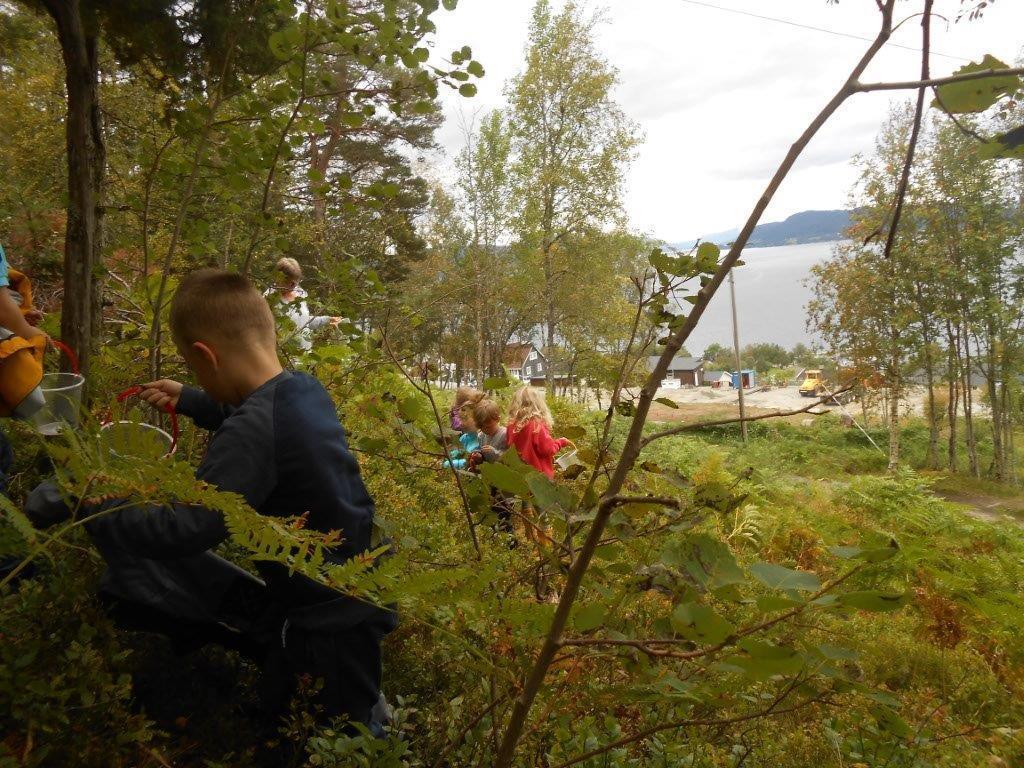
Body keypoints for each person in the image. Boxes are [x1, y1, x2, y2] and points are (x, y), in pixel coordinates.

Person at [27, 269, 394, 732]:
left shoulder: (252, 430)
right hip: (353, 588)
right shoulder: (303, 389)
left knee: (338, 729)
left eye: (192, 366)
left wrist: (87, 503)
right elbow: (257, 421)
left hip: (329, 619)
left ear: (205, 354)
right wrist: (194, 400)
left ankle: (374, 725)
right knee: (291, 698)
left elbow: (185, 527)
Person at [269, 257, 340, 350]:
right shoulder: (269, 300)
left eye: (295, 282)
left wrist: (327, 320)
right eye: (289, 282)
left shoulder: (299, 294)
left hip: (304, 357)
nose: (293, 285)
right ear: (278, 277)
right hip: (283, 356)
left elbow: (303, 322)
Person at [506, 386, 571, 478]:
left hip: (519, 475)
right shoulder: (537, 426)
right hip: (539, 479)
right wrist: (560, 442)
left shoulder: (511, 426)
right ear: (539, 404)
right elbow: (548, 449)